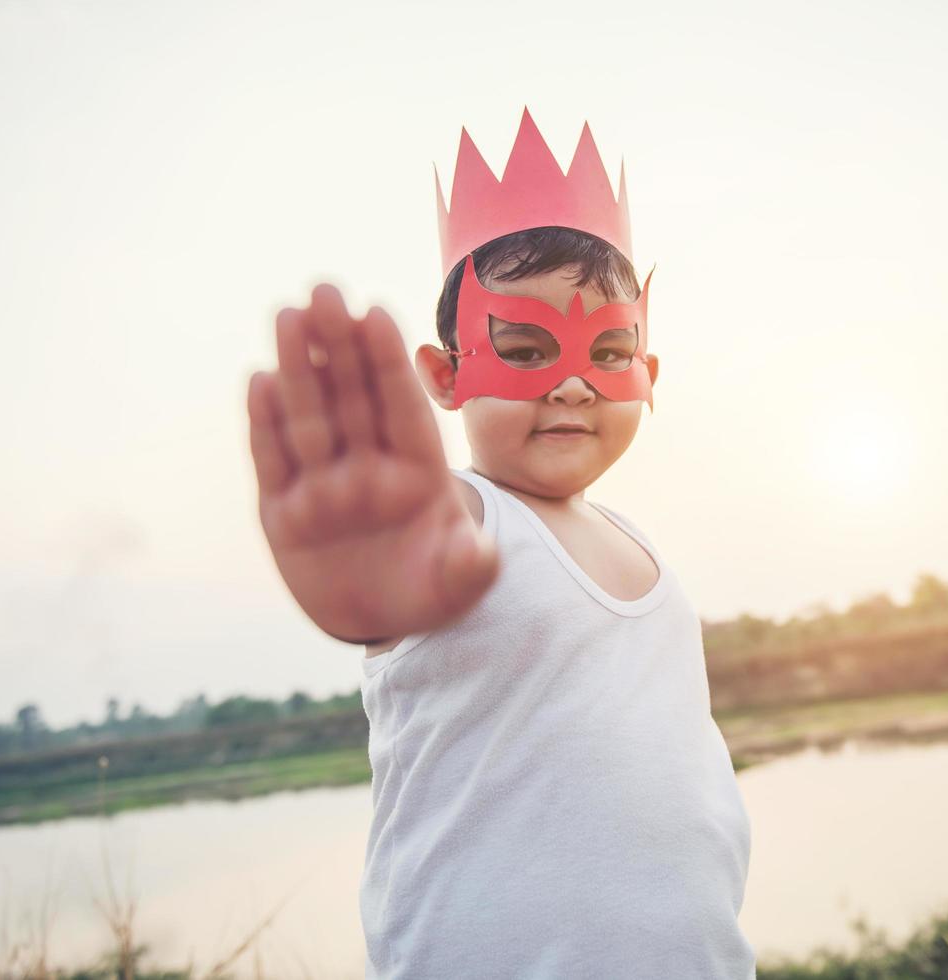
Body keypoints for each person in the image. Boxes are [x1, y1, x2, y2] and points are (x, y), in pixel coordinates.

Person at [246, 108, 755, 978]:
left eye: (608, 350)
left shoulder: (635, 544)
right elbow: (399, 579)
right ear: (445, 376)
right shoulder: (467, 517)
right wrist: (367, 586)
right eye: (522, 348)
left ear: (649, 375)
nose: (568, 381)